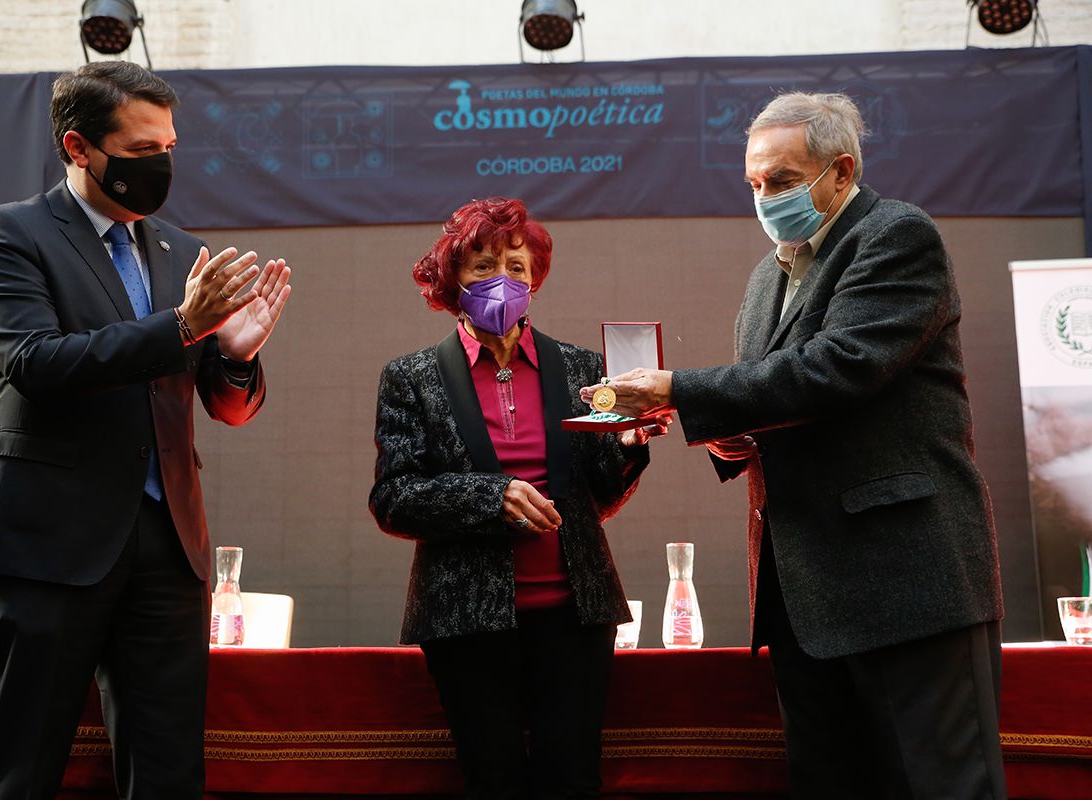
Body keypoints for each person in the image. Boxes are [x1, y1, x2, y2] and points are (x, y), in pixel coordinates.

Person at [583, 93, 1006, 797]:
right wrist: (724, 438)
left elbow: (838, 369)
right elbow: (774, 402)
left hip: (908, 584)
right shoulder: (765, 279)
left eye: (781, 181)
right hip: (804, 595)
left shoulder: (897, 235)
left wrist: (678, 389)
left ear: (840, 173)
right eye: (754, 184)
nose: (764, 198)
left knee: (943, 785)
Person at [0, 61, 291, 799]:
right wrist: (181, 326)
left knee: (168, 772)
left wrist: (235, 359)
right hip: (45, 544)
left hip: (168, 549)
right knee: (23, 767)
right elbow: (33, 364)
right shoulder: (8, 234)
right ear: (78, 147)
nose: (160, 164)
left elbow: (225, 408)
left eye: (168, 145)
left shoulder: (181, 252)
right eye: (140, 152)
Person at [370, 197, 663, 800]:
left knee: (573, 778)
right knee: (492, 779)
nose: (501, 280)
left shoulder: (585, 369)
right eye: (482, 267)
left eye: (516, 267)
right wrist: (491, 497)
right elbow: (394, 498)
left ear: (535, 279)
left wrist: (631, 441)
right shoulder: (413, 377)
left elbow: (599, 497)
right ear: (453, 277)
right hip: (464, 618)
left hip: (576, 613)